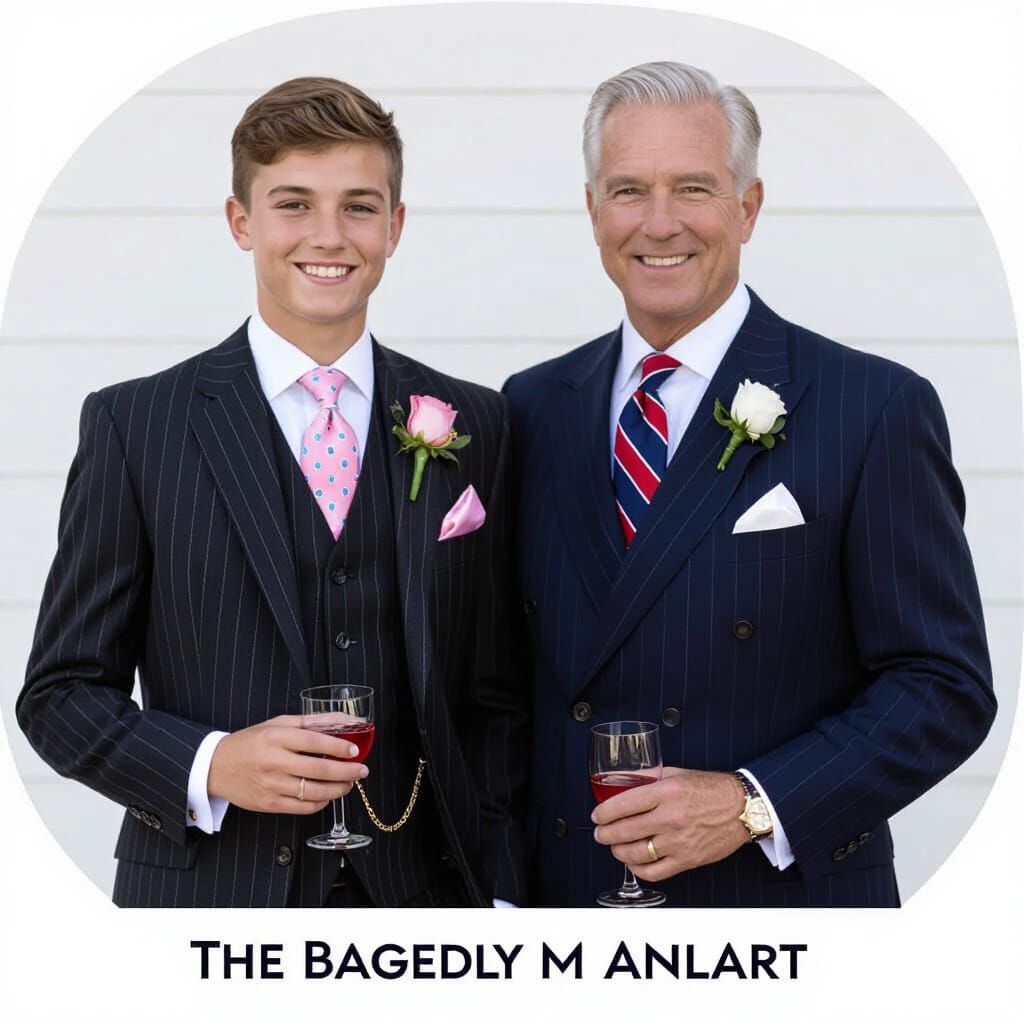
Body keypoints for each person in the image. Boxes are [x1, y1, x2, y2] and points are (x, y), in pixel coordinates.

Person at [18, 77, 527, 908]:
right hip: (211, 902)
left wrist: (500, 889)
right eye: (293, 204)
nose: (329, 236)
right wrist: (210, 763)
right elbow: (60, 696)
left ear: (395, 226)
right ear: (241, 221)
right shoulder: (135, 425)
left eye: (359, 206)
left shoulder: (478, 422)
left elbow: (498, 694)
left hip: (425, 899)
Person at [503, 61, 996, 907]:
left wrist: (751, 803)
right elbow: (500, 683)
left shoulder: (871, 406)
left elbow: (941, 687)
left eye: (693, 188)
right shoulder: (530, 406)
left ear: (748, 206)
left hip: (776, 909)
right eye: (628, 190)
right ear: (593, 211)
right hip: (569, 906)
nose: (659, 222)